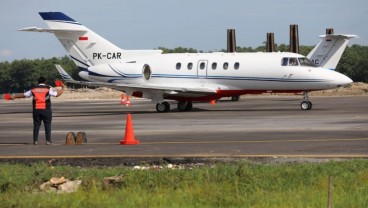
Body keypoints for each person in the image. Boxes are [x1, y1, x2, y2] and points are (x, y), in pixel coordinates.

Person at [11, 77, 65, 145]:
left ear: (38, 82)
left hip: (36, 110)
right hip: (46, 110)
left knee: (36, 125)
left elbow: (24, 95)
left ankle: (35, 141)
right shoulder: (48, 88)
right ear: (45, 82)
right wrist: (63, 88)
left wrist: (15, 97)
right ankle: (48, 141)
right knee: (47, 125)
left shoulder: (33, 89)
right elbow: (56, 94)